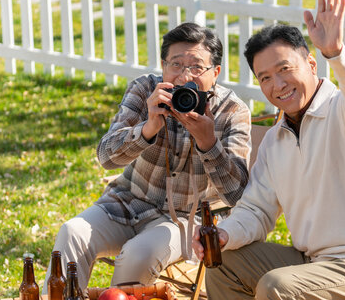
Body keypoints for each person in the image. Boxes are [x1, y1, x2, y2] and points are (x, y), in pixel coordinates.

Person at [193, 0, 345, 300]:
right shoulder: (275, 140)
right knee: (224, 264)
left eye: (285, 69)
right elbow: (256, 209)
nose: (278, 84)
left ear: (311, 65)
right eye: (265, 78)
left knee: (277, 287)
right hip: (316, 264)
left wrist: (337, 52)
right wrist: (225, 234)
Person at [43, 22, 251, 293]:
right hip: (128, 202)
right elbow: (106, 157)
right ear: (163, 66)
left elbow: (238, 195)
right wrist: (148, 127)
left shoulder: (233, 111)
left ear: (216, 73)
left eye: (197, 67)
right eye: (176, 64)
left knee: (137, 255)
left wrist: (208, 142)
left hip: (189, 220)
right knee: (72, 233)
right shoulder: (145, 91)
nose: (184, 77)